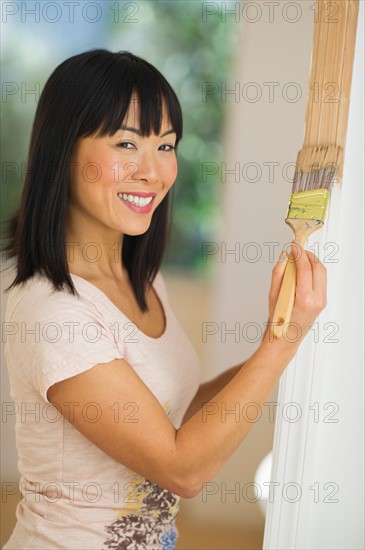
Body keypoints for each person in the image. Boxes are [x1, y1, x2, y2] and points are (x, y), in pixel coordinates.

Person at [1, 49, 327, 550]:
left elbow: (171, 417)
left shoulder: (143, 279)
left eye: (167, 145)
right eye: (127, 143)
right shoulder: (53, 311)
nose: (153, 173)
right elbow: (183, 468)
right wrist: (283, 341)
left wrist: (281, 341)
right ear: (62, 149)